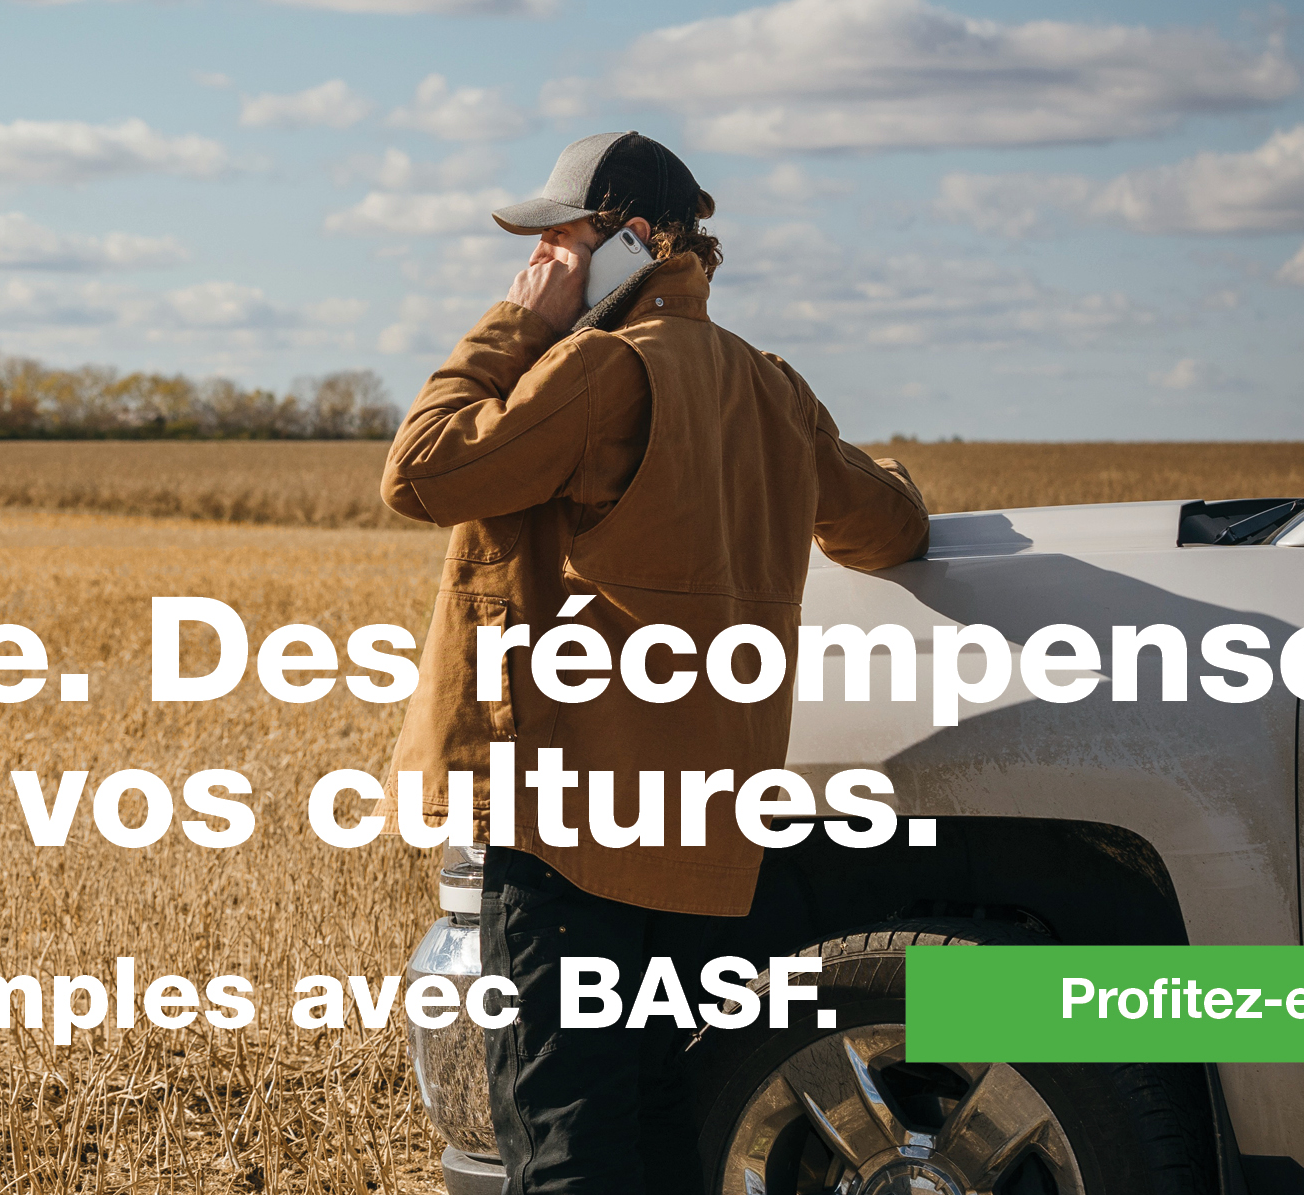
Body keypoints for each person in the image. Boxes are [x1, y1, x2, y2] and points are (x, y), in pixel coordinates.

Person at [378, 131, 931, 1192]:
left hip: (567, 826)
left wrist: (517, 324)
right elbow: (887, 525)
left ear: (630, 238)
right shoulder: (770, 387)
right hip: (702, 837)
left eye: (560, 240)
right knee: (664, 1121)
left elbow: (422, 469)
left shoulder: (597, 367)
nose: (540, 262)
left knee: (569, 1140)